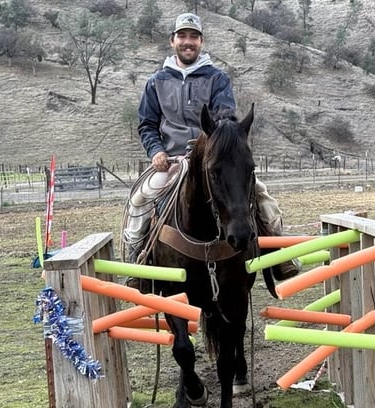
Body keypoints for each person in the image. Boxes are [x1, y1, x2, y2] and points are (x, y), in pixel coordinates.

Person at [123, 12, 299, 281]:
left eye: (193, 37)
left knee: (262, 196)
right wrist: (156, 151)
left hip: (210, 157)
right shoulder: (156, 82)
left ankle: (279, 254)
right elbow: (147, 124)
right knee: (140, 199)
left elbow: (226, 116)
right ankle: (138, 261)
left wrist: (215, 143)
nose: (188, 42)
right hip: (171, 160)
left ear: (201, 42)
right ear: (173, 41)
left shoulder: (217, 78)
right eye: (182, 36)